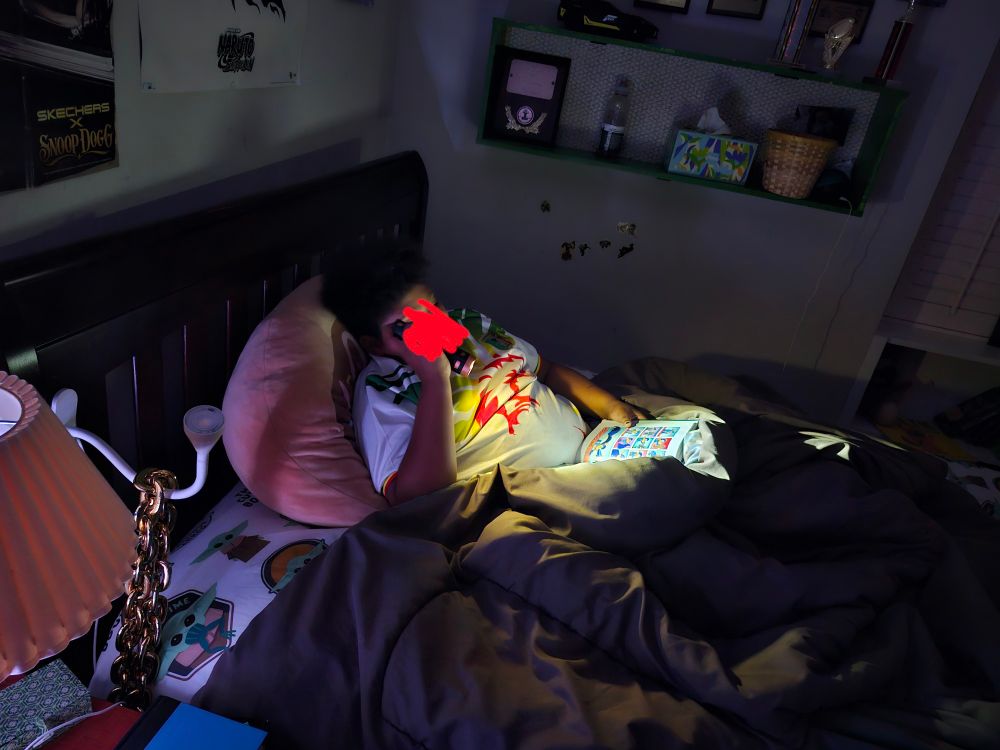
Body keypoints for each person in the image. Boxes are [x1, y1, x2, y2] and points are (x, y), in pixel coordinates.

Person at [321, 239, 648, 506]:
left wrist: (609, 407)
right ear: (375, 344)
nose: (436, 323)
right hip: (536, 492)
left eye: (434, 306)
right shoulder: (383, 391)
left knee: (661, 388)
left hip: (595, 443)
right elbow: (413, 496)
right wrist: (435, 379)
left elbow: (546, 370)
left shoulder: (469, 324)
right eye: (409, 323)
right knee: (652, 489)